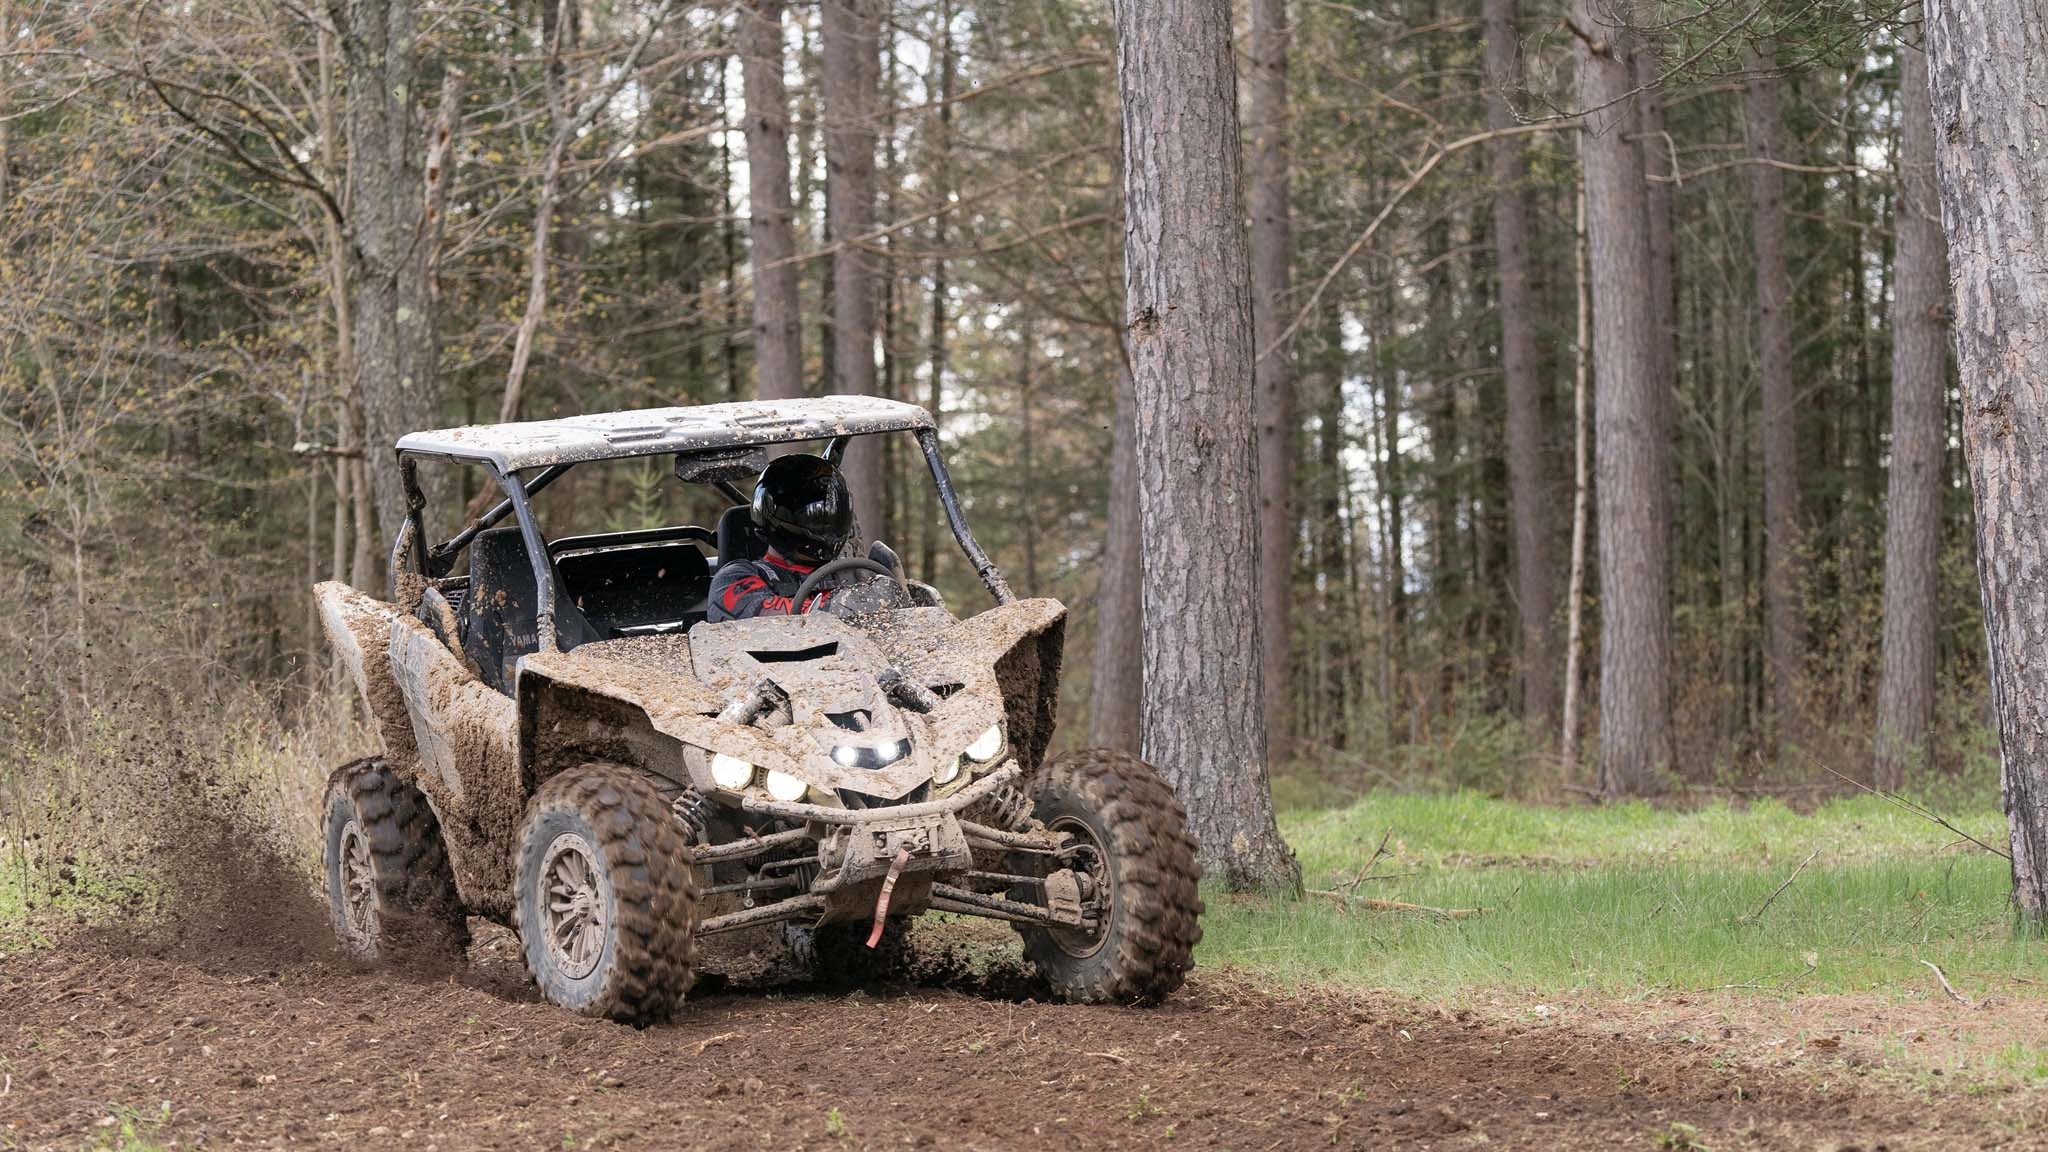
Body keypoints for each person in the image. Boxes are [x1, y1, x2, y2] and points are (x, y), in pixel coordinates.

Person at [707, 453, 854, 622]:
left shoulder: (856, 572)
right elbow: (768, 620)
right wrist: (851, 605)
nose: (828, 526)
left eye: (834, 516)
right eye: (815, 518)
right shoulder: (734, 579)